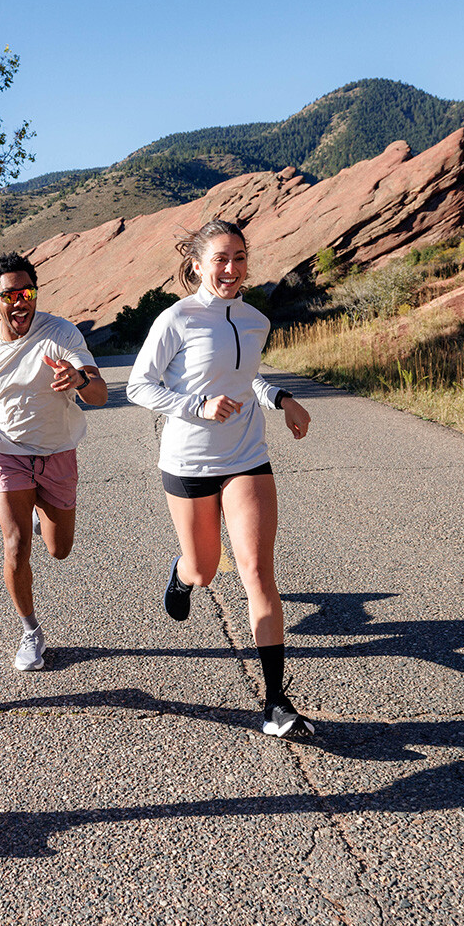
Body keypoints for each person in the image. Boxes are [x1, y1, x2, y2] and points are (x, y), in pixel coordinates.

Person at [126, 219, 316, 739]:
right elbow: (138, 387)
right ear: (197, 264)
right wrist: (195, 404)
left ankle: (276, 703)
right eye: (220, 259)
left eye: (239, 258)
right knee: (207, 569)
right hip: (188, 461)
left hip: (247, 455)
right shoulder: (176, 319)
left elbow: (244, 375)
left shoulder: (255, 320)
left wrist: (282, 398)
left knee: (257, 570)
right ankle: (182, 572)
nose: (231, 269)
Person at [0, 252, 108, 670]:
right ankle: (30, 632)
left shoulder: (59, 333)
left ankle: (46, 508)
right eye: (11, 294)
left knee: (59, 550)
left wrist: (80, 379)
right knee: (15, 545)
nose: (21, 301)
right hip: (10, 455)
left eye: (28, 292)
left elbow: (100, 394)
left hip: (59, 452)